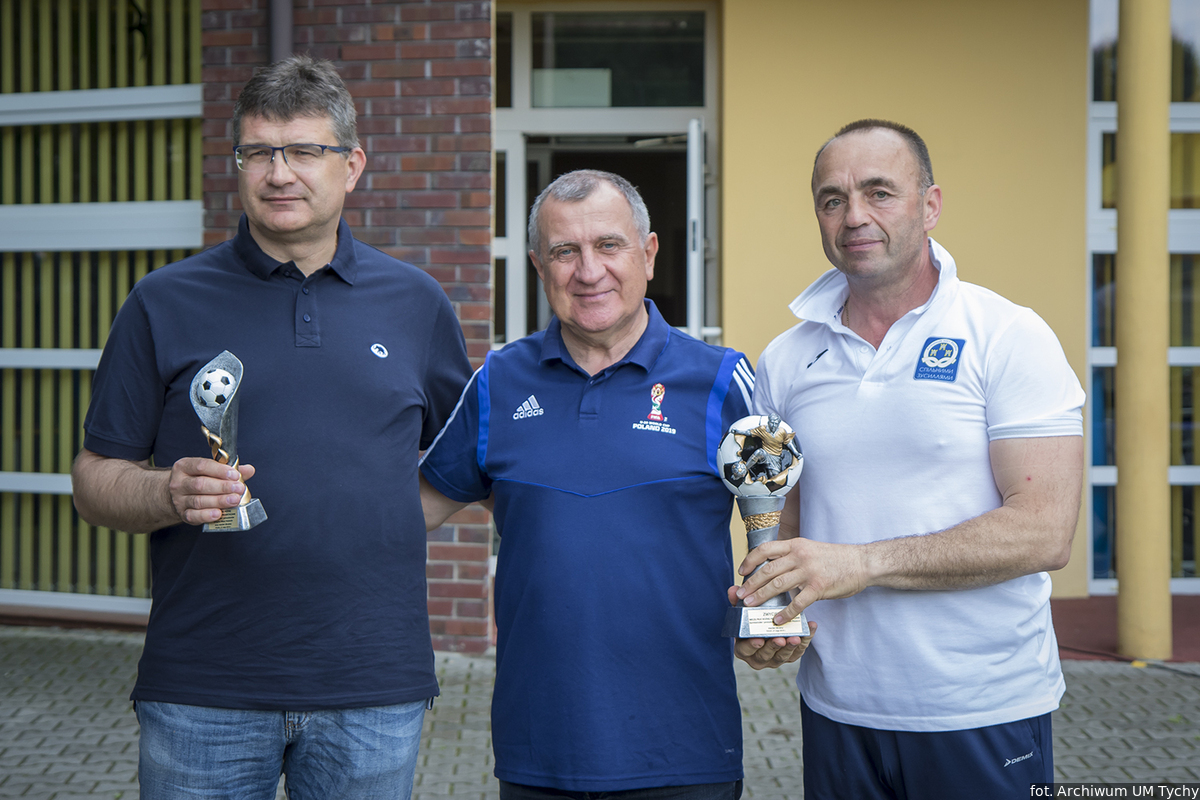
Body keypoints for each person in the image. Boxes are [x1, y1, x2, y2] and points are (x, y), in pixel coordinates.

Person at [71, 56, 472, 800]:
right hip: (203, 687)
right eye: (258, 152)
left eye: (304, 151)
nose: (279, 173)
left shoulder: (417, 303)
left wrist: (387, 512)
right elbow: (94, 481)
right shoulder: (163, 301)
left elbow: (468, 458)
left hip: (372, 686)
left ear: (352, 165)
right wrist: (168, 493)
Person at [419, 169, 808, 799]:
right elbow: (413, 509)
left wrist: (775, 610)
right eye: (564, 251)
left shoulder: (721, 378)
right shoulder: (498, 381)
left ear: (648, 255)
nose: (588, 271)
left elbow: (781, 513)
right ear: (539, 266)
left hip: (685, 750)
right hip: (538, 749)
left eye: (608, 245)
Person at [735, 119, 1085, 799]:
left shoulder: (1008, 335)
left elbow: (1045, 532)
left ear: (930, 205)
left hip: (980, 708)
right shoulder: (785, 357)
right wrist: (773, 617)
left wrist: (861, 564)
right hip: (837, 708)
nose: (854, 216)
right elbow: (784, 524)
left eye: (879, 192)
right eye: (832, 199)